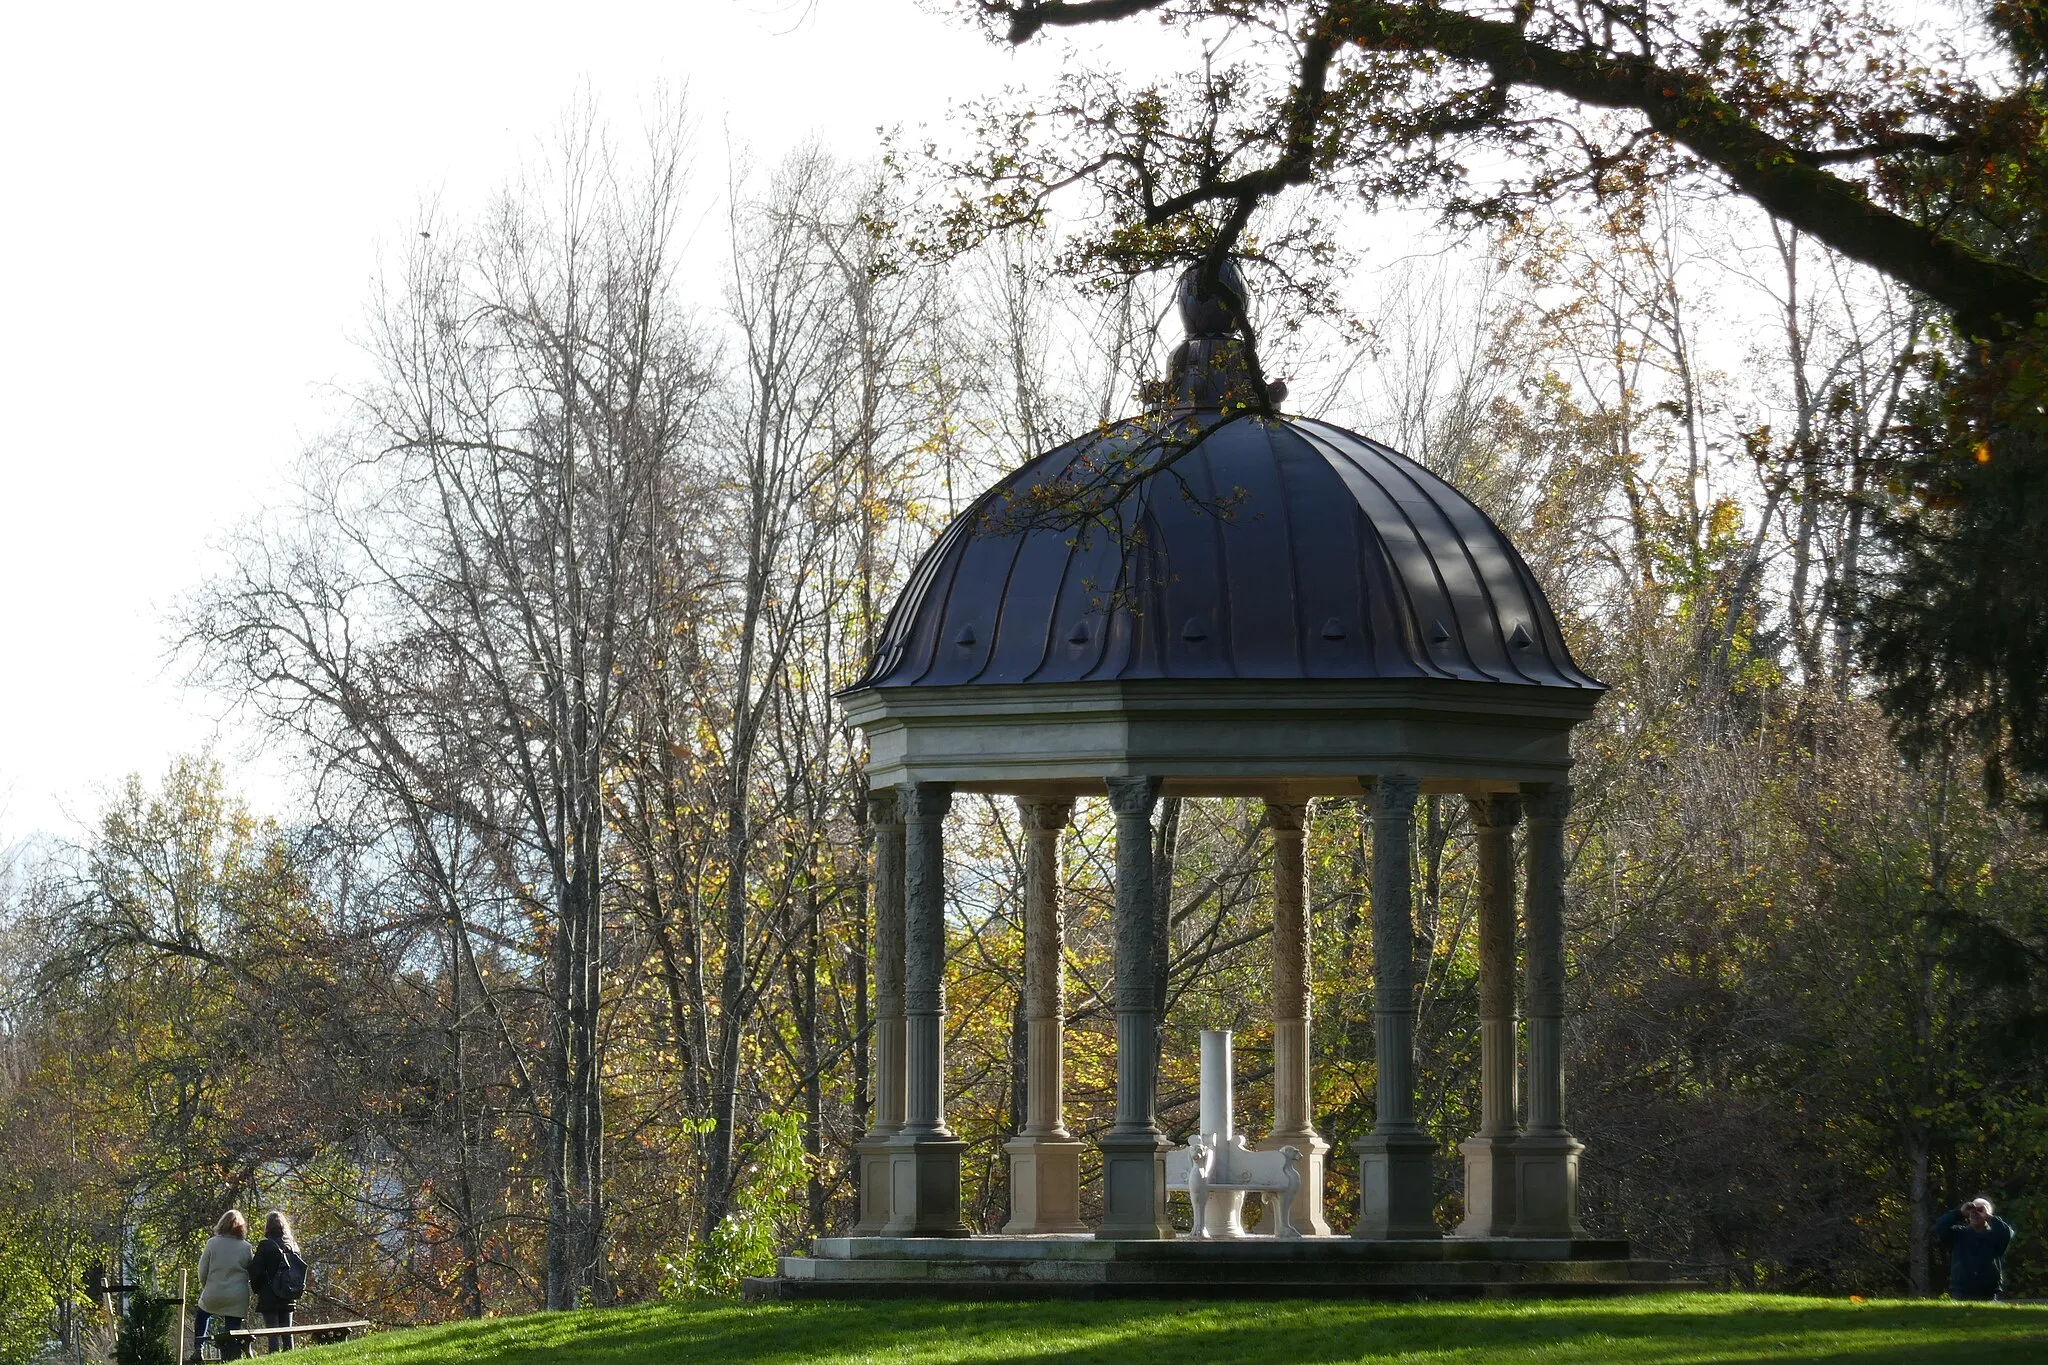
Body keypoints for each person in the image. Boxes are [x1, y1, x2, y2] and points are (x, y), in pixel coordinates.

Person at [194, 1209, 254, 1360]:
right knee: (232, 1328)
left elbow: (202, 1270)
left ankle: (198, 1348)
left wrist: (206, 1286)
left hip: (214, 1291)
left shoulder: (212, 1243)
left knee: (202, 1314)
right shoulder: (246, 1247)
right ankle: (230, 1356)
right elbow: (251, 1272)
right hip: (237, 1295)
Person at [1934, 1196, 2015, 1302]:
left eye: (1980, 1210)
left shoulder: (1996, 1236)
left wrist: (1988, 1216)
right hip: (1961, 1291)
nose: (1975, 1213)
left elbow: (2007, 1233)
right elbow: (1940, 1227)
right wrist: (1960, 1213)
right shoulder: (1959, 1234)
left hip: (1989, 1292)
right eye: (1972, 1210)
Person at [247, 1212, 307, 1353]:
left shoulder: (266, 1245)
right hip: (289, 1293)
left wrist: (258, 1289)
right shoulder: (293, 1245)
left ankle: (274, 1359)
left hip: (270, 1295)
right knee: (288, 1333)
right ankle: (291, 1359)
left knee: (273, 1334)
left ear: (268, 1227)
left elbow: (256, 1271)